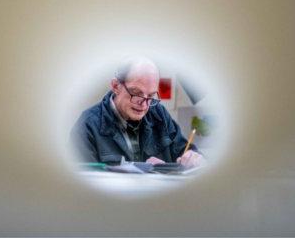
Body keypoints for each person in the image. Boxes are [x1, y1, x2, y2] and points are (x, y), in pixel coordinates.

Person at [69, 57, 205, 169]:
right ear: (116, 86)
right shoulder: (87, 126)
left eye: (151, 95)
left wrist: (195, 158)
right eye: (136, 93)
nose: (144, 104)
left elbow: (187, 153)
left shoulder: (159, 114)